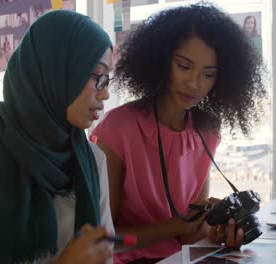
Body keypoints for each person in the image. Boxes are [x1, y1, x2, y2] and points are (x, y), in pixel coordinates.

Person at [0, 10, 115, 264]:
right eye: (97, 76)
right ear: (53, 70)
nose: (105, 94)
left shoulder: (91, 162)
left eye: (108, 79)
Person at [90, 2, 266, 263]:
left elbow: (189, 234)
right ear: (162, 60)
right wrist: (176, 226)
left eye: (208, 74)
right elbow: (106, 239)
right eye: (184, 67)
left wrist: (217, 232)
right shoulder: (118, 128)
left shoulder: (207, 131)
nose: (194, 84)